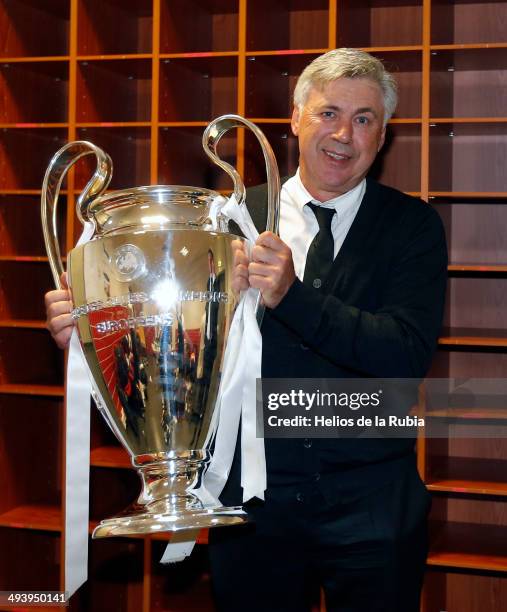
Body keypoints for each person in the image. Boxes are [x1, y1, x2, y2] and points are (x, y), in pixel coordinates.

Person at [45, 48, 447, 612]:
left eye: (364, 119)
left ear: (383, 135)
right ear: (296, 117)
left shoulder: (413, 226)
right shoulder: (223, 219)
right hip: (251, 508)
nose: (343, 134)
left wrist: (292, 297)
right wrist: (94, 333)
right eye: (328, 113)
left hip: (373, 506)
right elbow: (172, 342)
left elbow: (403, 353)